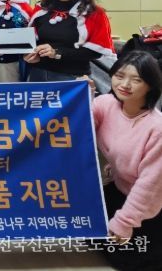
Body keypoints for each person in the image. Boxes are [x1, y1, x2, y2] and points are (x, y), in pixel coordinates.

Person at [91, 50, 162, 270]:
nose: (125, 85)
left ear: (150, 86)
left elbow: (150, 185)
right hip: (120, 186)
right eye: (119, 76)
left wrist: (125, 222)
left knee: (129, 261)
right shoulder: (106, 103)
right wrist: (82, 95)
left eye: (136, 80)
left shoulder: (157, 128)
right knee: (90, 233)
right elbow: (81, 127)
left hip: (151, 200)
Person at [26, 0, 115, 81]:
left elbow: (96, 52)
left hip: (72, 77)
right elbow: (32, 41)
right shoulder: (41, 9)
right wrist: (30, 55)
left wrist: (56, 53)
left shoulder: (93, 13)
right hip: (38, 73)